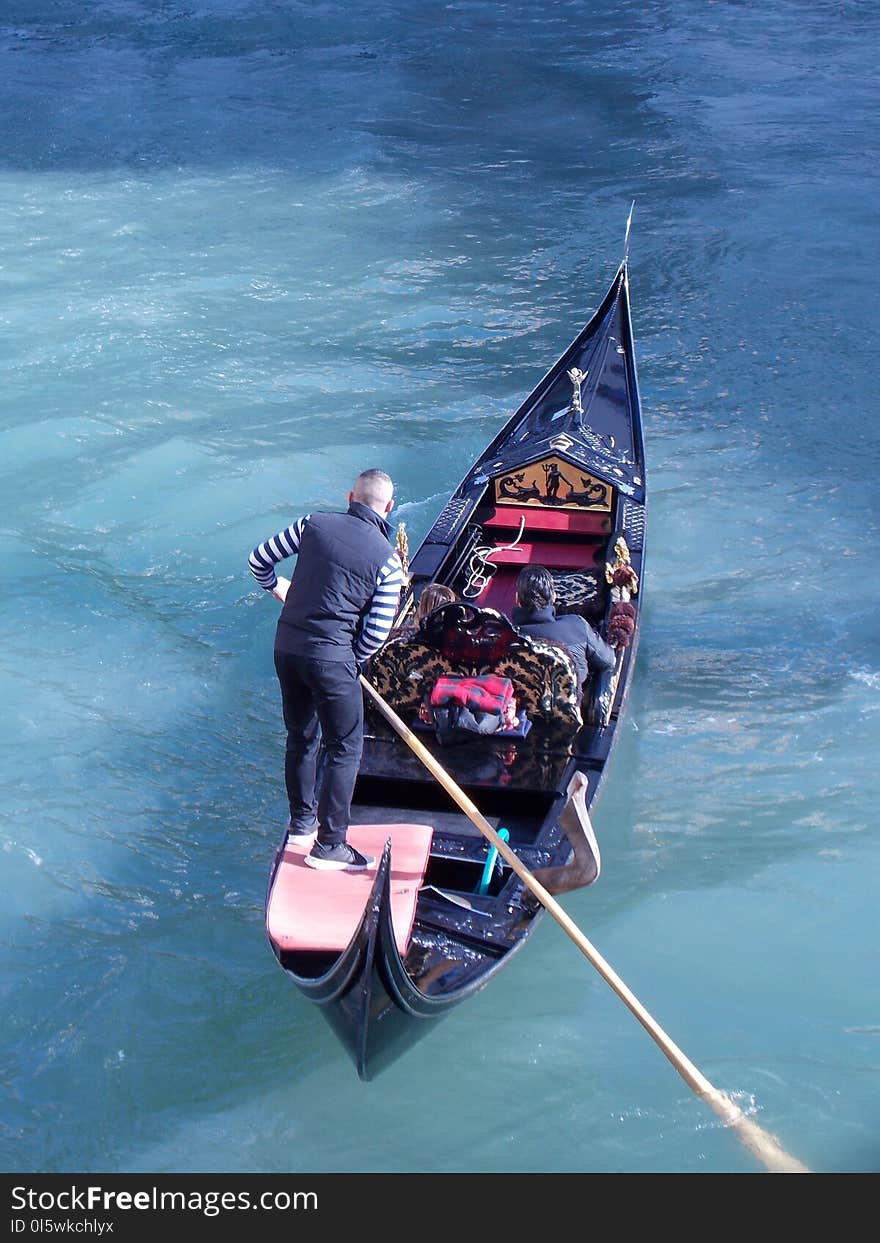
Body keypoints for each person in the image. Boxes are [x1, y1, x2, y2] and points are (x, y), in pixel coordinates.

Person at [248, 469, 405, 871]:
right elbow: (378, 632)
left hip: (288, 647)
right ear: (388, 507)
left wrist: (278, 590)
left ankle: (302, 824)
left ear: (350, 495)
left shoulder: (312, 523)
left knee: (300, 737)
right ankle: (330, 845)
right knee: (345, 747)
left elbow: (259, 560)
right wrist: (347, 658)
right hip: (334, 659)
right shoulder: (387, 562)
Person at [511, 564, 615, 690]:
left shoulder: (506, 638)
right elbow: (608, 660)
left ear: (517, 599)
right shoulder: (577, 625)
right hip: (569, 705)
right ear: (554, 597)